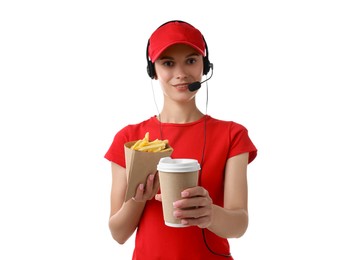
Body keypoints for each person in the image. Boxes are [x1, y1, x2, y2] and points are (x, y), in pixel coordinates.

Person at [104, 20, 257, 260]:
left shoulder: (233, 135)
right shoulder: (129, 139)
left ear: (205, 67)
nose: (181, 74)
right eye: (168, 63)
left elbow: (239, 224)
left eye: (191, 60)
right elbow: (118, 233)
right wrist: (137, 200)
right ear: (153, 70)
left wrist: (210, 214)